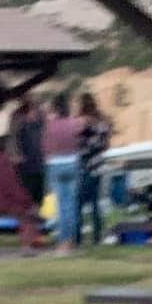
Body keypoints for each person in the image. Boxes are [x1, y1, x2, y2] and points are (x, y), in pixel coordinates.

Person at [0, 141, 46, 252]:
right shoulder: (5, 165)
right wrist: (28, 201)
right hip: (4, 202)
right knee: (27, 214)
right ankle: (28, 245)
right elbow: (13, 188)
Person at [43, 91, 86, 255]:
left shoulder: (50, 125)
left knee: (61, 206)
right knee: (72, 205)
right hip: (72, 162)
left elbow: (45, 147)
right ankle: (71, 241)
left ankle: (62, 243)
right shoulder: (74, 123)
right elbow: (81, 138)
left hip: (55, 163)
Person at [76, 92, 112, 248]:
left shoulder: (80, 122)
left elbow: (77, 142)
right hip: (98, 163)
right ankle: (97, 236)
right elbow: (106, 144)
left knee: (79, 202)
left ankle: (78, 237)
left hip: (83, 163)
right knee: (96, 202)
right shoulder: (102, 121)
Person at [11, 98, 46, 210]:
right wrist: (17, 156)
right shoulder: (22, 127)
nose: (36, 113)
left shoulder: (40, 125)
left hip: (39, 166)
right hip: (28, 167)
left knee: (39, 196)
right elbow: (14, 142)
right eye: (34, 111)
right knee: (29, 194)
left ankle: (38, 215)